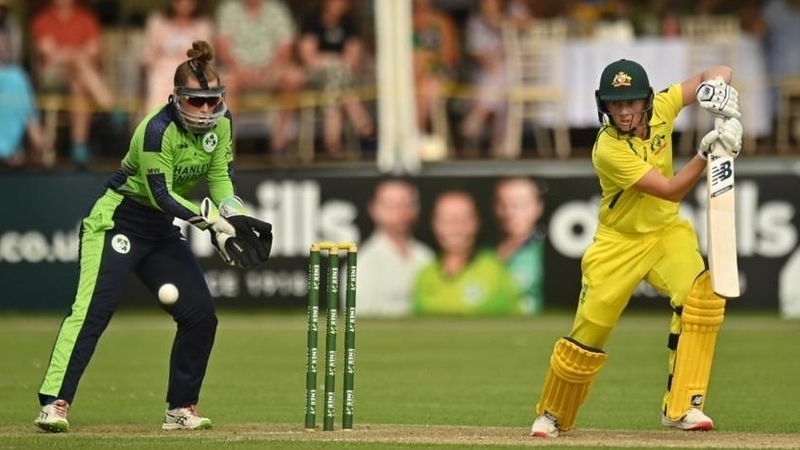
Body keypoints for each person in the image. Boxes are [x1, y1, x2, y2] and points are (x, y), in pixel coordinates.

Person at [32, 40, 273, 433]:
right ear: (176, 98)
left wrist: (235, 217)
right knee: (94, 310)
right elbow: (162, 195)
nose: (207, 110)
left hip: (160, 230)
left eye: (213, 101)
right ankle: (54, 403)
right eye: (197, 101)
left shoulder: (222, 126)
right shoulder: (155, 131)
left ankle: (180, 409)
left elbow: (220, 178)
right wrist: (212, 224)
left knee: (201, 315)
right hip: (118, 221)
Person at [528, 59, 743, 438]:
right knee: (590, 330)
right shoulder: (607, 149)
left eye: (630, 103)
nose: (623, 112)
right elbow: (671, 188)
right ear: (604, 106)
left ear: (645, 100)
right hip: (618, 243)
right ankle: (553, 413)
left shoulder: (662, 106)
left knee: (701, 299)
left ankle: (683, 407)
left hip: (666, 232)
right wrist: (707, 154)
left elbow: (719, 69)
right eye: (615, 104)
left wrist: (716, 92)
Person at [30, 0, 115, 168]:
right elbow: (49, 57)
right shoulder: (42, 20)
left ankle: (78, 144)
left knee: (78, 83)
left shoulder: (86, 19)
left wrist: (65, 54)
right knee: (80, 67)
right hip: (52, 76)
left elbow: (94, 52)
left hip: (79, 76)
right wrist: (76, 55)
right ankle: (108, 104)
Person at [214, 0, 304, 157]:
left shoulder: (277, 9)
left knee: (293, 77)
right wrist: (241, 71)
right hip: (237, 71)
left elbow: (286, 48)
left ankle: (280, 142)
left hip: (271, 70)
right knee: (226, 83)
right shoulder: (229, 9)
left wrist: (268, 70)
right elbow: (222, 48)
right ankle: (226, 148)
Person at [413, 189, 522, 316]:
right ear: (434, 224)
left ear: (476, 222)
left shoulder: (497, 270)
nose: (455, 228)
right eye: (447, 219)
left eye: (463, 219)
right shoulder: (424, 275)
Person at [297, 0, 375, 158]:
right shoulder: (312, 21)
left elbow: (351, 60)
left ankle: (333, 144)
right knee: (341, 85)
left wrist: (333, 62)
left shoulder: (350, 24)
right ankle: (365, 129)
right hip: (316, 77)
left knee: (337, 79)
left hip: (342, 77)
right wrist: (332, 60)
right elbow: (309, 58)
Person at [356, 178, 433, 317]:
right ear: (373, 209)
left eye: (407, 204)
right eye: (391, 206)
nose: (401, 213)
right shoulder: (362, 264)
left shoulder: (427, 256)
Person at [0, 0, 50, 168]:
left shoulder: (10, 26)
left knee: (16, 78)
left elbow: (10, 57)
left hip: (4, 73)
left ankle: (7, 148)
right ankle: (34, 132)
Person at [141, 0, 214, 114]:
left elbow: (206, 57)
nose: (184, 4)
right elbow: (147, 56)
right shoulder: (158, 22)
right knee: (157, 82)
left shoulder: (203, 25)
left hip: (191, 72)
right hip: (162, 73)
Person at [494, 176, 546, 315]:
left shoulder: (548, 252)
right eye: (503, 204)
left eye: (520, 205)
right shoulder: (487, 253)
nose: (510, 213)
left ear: (538, 207)